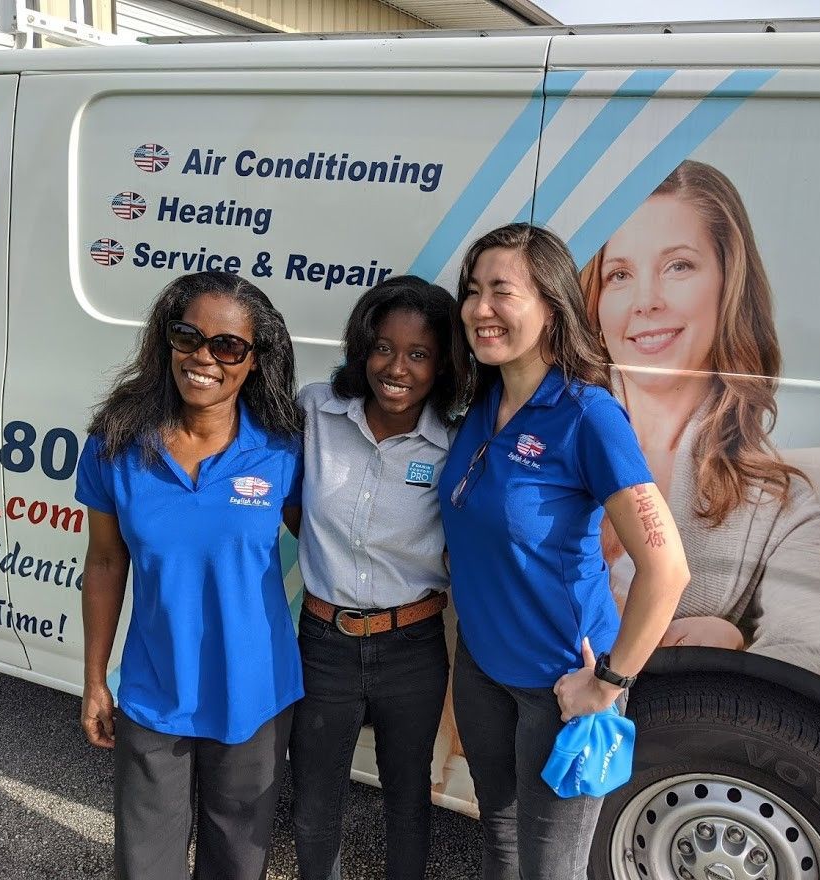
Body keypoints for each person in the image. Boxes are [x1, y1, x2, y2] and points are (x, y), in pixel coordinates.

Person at [439, 222, 690, 880]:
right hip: (483, 668)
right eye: (472, 291)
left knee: (551, 869)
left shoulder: (588, 415)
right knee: (498, 840)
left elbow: (667, 569)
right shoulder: (482, 400)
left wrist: (607, 683)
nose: (480, 309)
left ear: (552, 306)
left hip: (561, 686)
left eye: (502, 292)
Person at [580, 159, 820, 690]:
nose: (646, 301)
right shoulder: (543, 432)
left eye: (679, 266)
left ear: (728, 284)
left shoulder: (777, 502)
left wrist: (730, 649)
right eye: (619, 274)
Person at [76, 271, 304, 880]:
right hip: (155, 691)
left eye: (228, 347)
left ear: (255, 361)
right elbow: (103, 562)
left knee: (237, 863)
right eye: (188, 337)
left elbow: (329, 541)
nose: (204, 357)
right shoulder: (116, 444)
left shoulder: (283, 450)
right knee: (145, 866)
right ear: (166, 341)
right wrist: (95, 679)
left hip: (255, 693)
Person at [288, 275, 467, 880]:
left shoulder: (454, 441)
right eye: (383, 347)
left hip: (412, 647)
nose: (397, 367)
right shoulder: (316, 409)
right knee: (315, 798)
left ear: (442, 365)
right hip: (324, 641)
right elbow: (290, 504)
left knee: (408, 801)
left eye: (419, 354)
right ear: (362, 346)